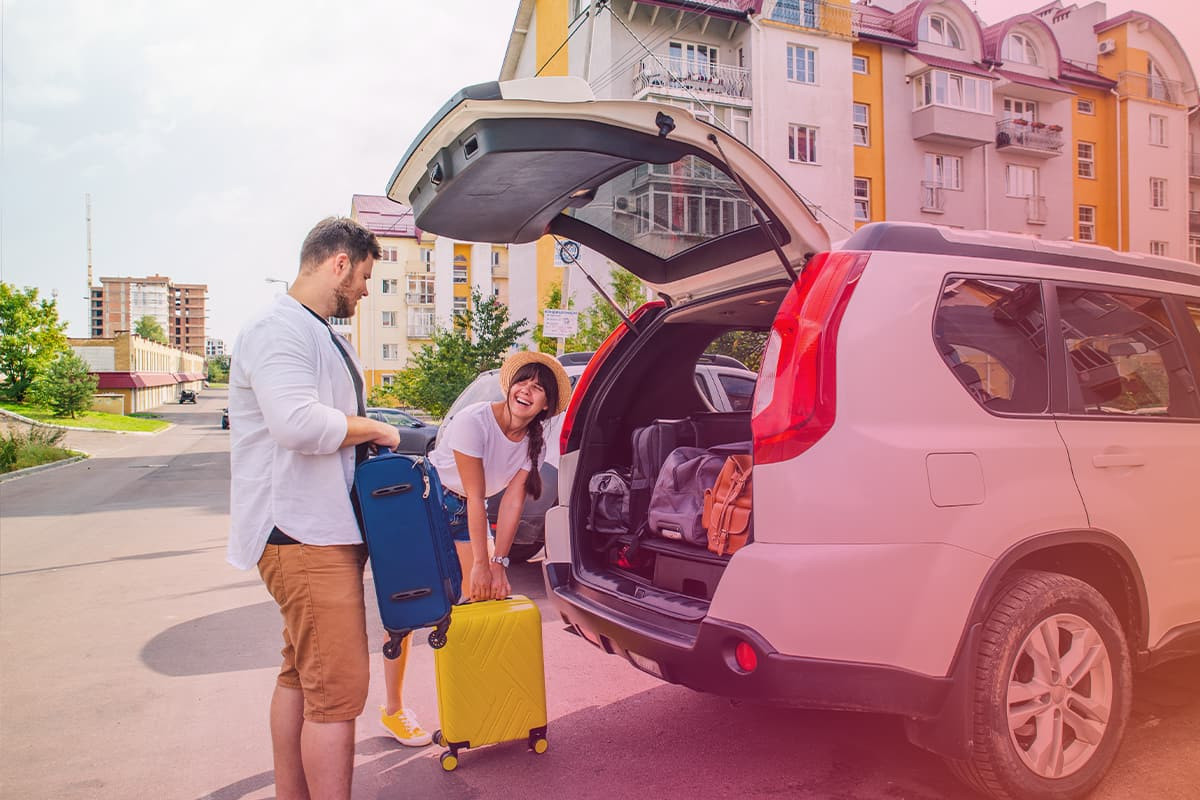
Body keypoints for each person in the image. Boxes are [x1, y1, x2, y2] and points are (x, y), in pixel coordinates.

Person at [228, 217, 401, 800]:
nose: (366, 290)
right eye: (366, 276)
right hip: (302, 534)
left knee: (303, 675)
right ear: (339, 263)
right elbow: (296, 423)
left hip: (310, 531)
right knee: (338, 692)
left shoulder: (311, 329)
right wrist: (375, 426)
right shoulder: (280, 329)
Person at [378, 350, 571, 746]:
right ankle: (394, 711)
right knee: (408, 609)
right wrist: (483, 562)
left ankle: (473, 705)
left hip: (467, 510)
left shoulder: (538, 435)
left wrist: (499, 563)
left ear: (546, 403)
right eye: (523, 382)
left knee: (480, 599)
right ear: (510, 385)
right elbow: (474, 493)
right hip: (426, 505)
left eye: (538, 388)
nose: (527, 392)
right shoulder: (475, 420)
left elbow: (515, 499)